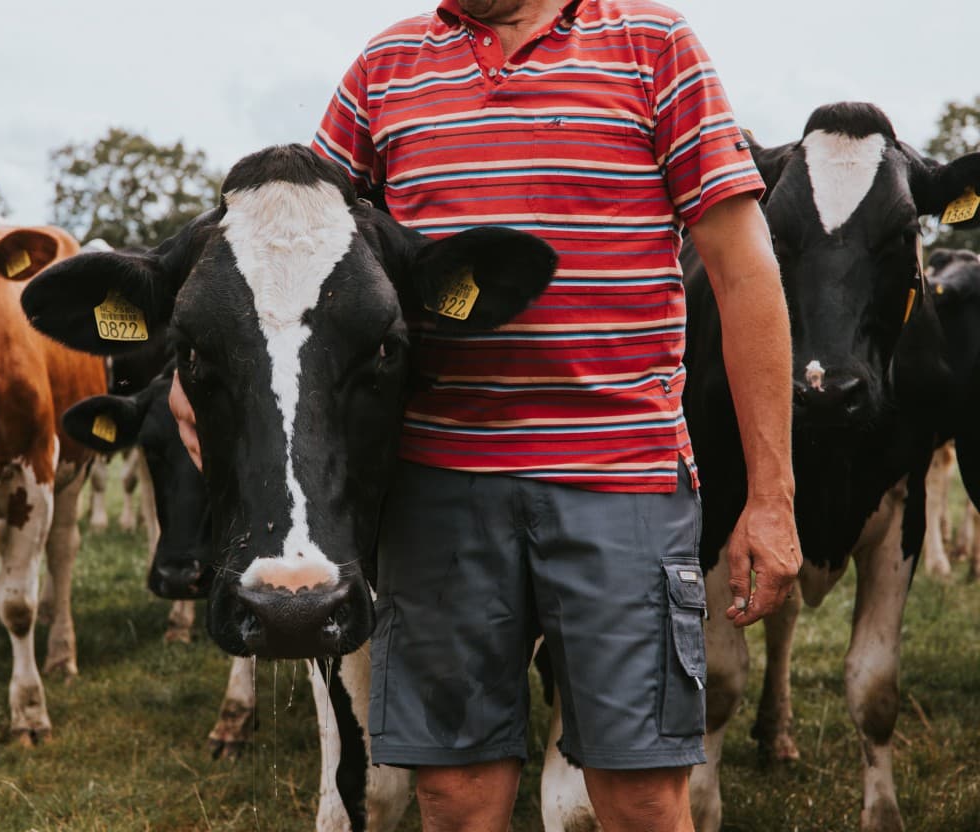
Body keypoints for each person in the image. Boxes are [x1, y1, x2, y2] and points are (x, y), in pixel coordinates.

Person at [173, 1, 801, 829]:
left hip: (621, 478)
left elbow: (743, 268)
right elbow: (295, 232)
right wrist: (194, 360)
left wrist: (771, 496)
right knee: (455, 795)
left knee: (643, 794)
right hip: (439, 488)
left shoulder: (654, 46)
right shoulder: (386, 66)